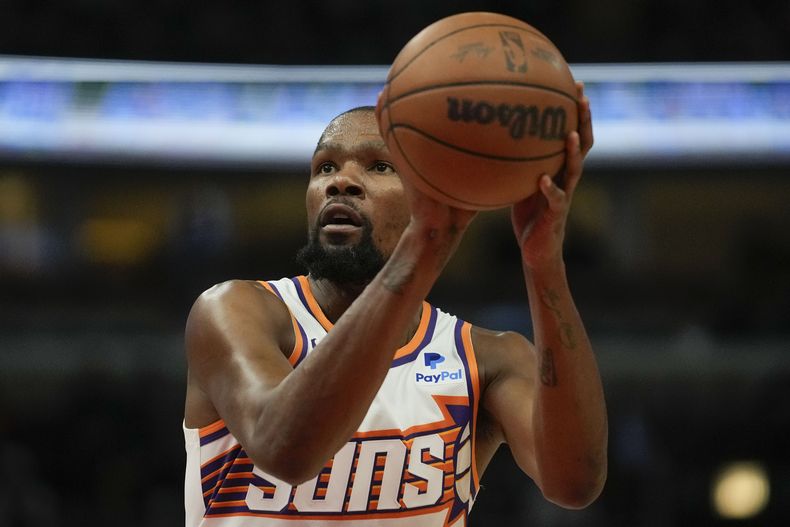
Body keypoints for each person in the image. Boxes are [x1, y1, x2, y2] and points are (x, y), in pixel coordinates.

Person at [183, 82, 607, 526]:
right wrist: (424, 247)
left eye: (379, 166)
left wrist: (544, 262)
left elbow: (574, 483)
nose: (340, 181)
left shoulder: (485, 358)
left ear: (428, 194)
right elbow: (284, 450)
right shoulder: (236, 311)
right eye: (324, 167)